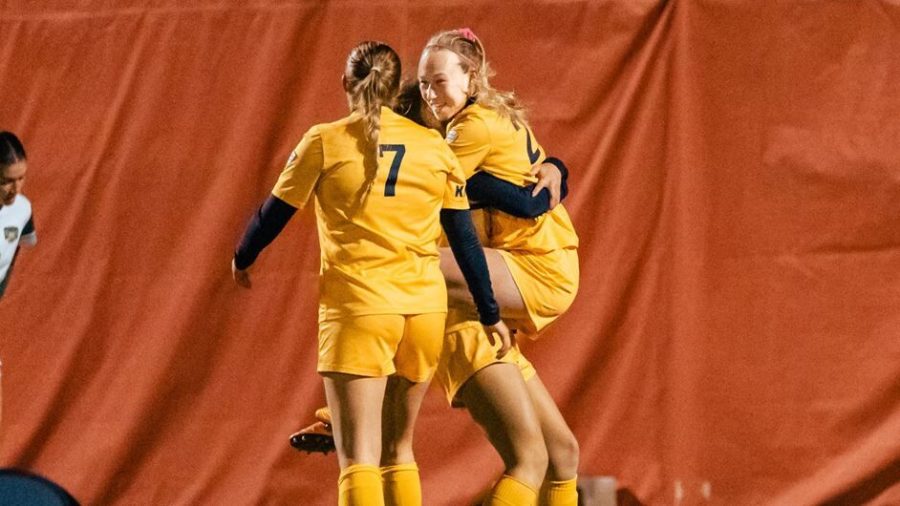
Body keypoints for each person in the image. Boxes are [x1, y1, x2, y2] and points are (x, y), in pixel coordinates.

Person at [231, 41, 510, 506]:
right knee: (399, 449)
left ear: (346, 83)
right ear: (402, 86)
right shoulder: (434, 147)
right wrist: (489, 311)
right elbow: (463, 239)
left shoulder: (325, 139)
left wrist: (243, 256)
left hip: (359, 309)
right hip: (422, 313)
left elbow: (272, 214)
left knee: (358, 457)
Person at [415, 28, 582, 506]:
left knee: (397, 265)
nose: (429, 93)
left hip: (522, 276)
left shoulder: (467, 130)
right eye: (424, 84)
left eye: (438, 82)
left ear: (471, 77)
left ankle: (352, 402)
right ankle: (352, 406)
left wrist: (551, 172)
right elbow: (527, 196)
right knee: (559, 455)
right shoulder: (491, 117)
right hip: (509, 290)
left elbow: (519, 203)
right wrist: (556, 169)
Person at [0, 131, 38, 436]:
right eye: (6, 181)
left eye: (21, 178)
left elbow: (14, 253)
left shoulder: (22, 210)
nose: (15, 188)